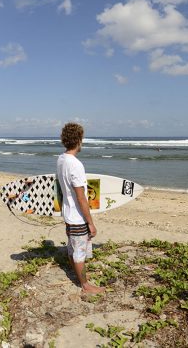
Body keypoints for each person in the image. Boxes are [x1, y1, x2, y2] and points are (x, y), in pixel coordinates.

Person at [57, 122, 104, 294]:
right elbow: (81, 197)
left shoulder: (61, 159)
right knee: (79, 253)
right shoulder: (75, 164)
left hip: (68, 213)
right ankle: (85, 285)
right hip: (77, 217)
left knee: (72, 247)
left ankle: (76, 274)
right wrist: (90, 222)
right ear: (79, 140)